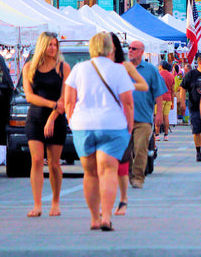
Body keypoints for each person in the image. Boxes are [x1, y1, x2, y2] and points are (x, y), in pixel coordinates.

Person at [65, 32, 134, 231]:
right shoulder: (118, 70)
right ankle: (106, 216)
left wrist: (72, 121)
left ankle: (94, 218)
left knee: (90, 173)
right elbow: (128, 102)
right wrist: (129, 126)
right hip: (112, 125)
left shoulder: (79, 69)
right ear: (111, 48)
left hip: (83, 125)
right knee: (108, 171)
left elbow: (69, 100)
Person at [22, 31, 71, 217]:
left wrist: (52, 117)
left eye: (55, 45)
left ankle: (56, 202)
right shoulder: (29, 68)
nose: (53, 48)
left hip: (56, 120)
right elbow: (29, 96)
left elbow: (64, 99)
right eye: (50, 45)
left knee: (54, 164)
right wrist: (52, 105)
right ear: (42, 46)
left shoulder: (63, 67)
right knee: (36, 161)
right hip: (35, 118)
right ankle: (37, 204)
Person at [108, 33, 148, 217]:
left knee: (122, 161)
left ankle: (123, 198)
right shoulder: (94, 66)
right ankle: (106, 203)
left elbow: (143, 85)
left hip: (121, 120)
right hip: (100, 120)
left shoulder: (125, 66)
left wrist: (125, 86)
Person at [127, 41, 166, 189]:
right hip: (124, 118)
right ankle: (130, 174)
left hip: (143, 117)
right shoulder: (122, 69)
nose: (130, 50)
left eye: (134, 49)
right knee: (126, 151)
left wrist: (159, 113)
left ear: (142, 51)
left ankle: (137, 177)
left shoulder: (150, 70)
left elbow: (158, 93)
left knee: (140, 149)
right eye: (129, 48)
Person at [157, 61, 175, 141]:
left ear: (161, 66)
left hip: (159, 98)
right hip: (168, 98)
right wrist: (172, 102)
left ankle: (157, 135)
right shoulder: (171, 76)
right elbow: (172, 90)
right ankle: (166, 135)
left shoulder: (158, 74)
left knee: (158, 116)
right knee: (166, 117)